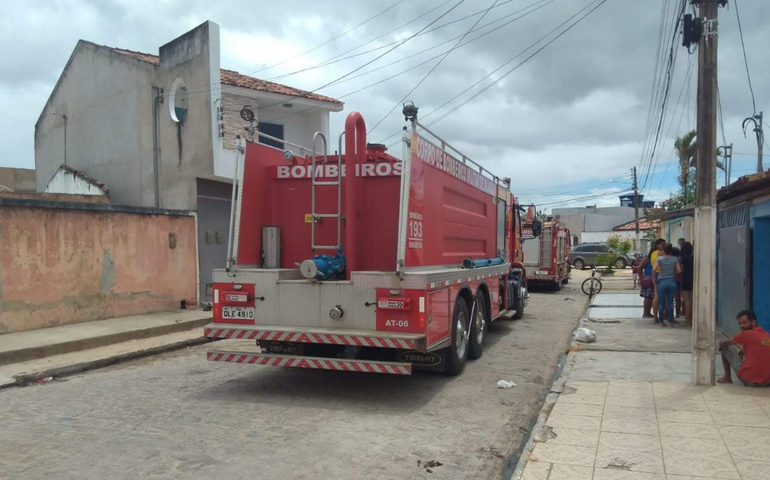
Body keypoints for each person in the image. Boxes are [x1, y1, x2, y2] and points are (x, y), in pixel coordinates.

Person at [718, 310, 770, 386]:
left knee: (724, 346)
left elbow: (724, 343)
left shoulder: (746, 334)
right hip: (768, 382)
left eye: (744, 323)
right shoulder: (766, 335)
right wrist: (743, 350)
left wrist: (721, 344)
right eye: (740, 323)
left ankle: (727, 377)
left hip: (750, 382)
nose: (741, 326)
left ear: (753, 322)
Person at [653, 243, 682, 327]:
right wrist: (673, 272)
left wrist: (654, 278)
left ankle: (661, 321)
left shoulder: (659, 259)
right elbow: (679, 270)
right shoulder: (674, 259)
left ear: (664, 251)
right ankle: (670, 321)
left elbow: (654, 269)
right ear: (671, 251)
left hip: (661, 281)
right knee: (670, 302)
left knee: (661, 302)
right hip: (672, 281)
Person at [637, 240, 665, 319]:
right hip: (649, 278)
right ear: (657, 246)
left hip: (654, 278)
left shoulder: (660, 256)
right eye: (662, 245)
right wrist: (641, 278)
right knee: (648, 297)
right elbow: (639, 268)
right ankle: (646, 313)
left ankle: (649, 313)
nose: (663, 246)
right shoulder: (648, 258)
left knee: (652, 297)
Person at [679, 242, 694, 326]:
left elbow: (680, 269)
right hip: (692, 279)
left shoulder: (683, 259)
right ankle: (691, 319)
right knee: (691, 300)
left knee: (686, 301)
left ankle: (687, 320)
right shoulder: (693, 258)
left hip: (685, 279)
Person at [672, 246, 682, 318]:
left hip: (671, 279)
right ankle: (678, 313)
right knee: (677, 298)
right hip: (678, 280)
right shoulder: (679, 260)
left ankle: (669, 314)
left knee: (669, 298)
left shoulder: (669, 259)